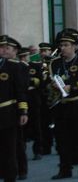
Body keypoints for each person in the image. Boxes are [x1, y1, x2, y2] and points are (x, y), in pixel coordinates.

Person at [49, 30, 78, 179]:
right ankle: (65, 168)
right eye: (61, 45)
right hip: (62, 105)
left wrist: (73, 87)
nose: (63, 48)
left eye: (66, 45)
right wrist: (52, 86)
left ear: (74, 46)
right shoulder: (55, 63)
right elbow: (51, 79)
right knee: (62, 139)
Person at [0, 36, 29, 182]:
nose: (3, 50)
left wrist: (23, 111)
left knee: (11, 147)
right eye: (1, 47)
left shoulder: (14, 66)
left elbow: (20, 91)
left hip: (8, 112)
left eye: (6, 48)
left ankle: (12, 175)